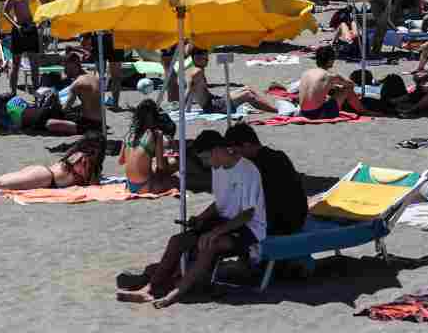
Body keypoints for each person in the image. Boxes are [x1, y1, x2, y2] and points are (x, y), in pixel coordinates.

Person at [117, 130, 267, 309]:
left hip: (250, 228)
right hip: (225, 222)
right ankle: (150, 289)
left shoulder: (247, 170)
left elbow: (248, 214)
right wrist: (201, 218)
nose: (204, 163)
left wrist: (215, 232)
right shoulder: (218, 168)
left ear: (216, 151)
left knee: (211, 243)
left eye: (205, 158)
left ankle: (177, 292)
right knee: (177, 241)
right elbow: (221, 204)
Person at [0, 133, 105, 193]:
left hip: (41, 171)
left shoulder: (75, 153)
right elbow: (91, 183)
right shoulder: (86, 160)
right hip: (45, 178)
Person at [225, 124, 308, 236]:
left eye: (235, 151)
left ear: (247, 145)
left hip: (280, 223)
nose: (234, 156)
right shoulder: (279, 156)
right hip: (297, 219)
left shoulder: (254, 166)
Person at [186, 49, 281, 114]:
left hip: (214, 100)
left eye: (207, 59)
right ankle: (277, 111)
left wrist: (188, 108)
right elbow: (189, 89)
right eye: (205, 59)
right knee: (248, 95)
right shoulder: (196, 72)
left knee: (247, 88)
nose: (207, 61)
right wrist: (184, 108)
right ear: (196, 58)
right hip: (212, 106)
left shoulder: (196, 70)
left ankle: (271, 107)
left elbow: (193, 90)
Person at [118, 100, 177, 194]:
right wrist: (169, 150)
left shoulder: (129, 134)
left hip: (129, 185)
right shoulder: (156, 134)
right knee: (174, 165)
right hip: (146, 186)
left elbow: (121, 161)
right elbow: (161, 166)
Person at [297, 45, 366, 119]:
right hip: (318, 114)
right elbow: (351, 84)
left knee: (333, 90)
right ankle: (362, 111)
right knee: (347, 89)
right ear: (330, 60)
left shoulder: (306, 73)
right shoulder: (330, 75)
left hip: (303, 112)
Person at [2, 0, 40, 96]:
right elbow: (5, 12)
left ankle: (37, 90)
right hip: (19, 29)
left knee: (34, 63)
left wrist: (38, 23)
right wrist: (16, 25)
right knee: (16, 63)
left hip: (31, 27)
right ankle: (12, 92)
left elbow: (40, 6)